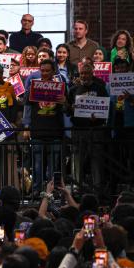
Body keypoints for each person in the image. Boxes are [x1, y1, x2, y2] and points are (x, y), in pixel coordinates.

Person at [23, 59, 67, 194]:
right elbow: (27, 106)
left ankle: (50, 193)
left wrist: (65, 102)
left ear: (54, 71)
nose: (45, 73)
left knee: (53, 167)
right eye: (42, 70)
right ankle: (36, 193)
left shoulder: (61, 86)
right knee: (37, 166)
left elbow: (67, 110)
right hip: (38, 131)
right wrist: (26, 126)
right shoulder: (33, 86)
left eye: (48, 70)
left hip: (55, 132)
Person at [68, 62, 109, 191]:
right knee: (77, 159)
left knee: (96, 159)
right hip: (78, 129)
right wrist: (70, 107)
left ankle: (97, 188)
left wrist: (99, 116)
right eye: (82, 73)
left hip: (96, 129)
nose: (84, 76)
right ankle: (77, 187)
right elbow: (67, 111)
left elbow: (106, 108)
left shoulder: (100, 88)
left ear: (92, 74)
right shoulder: (73, 89)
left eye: (87, 73)